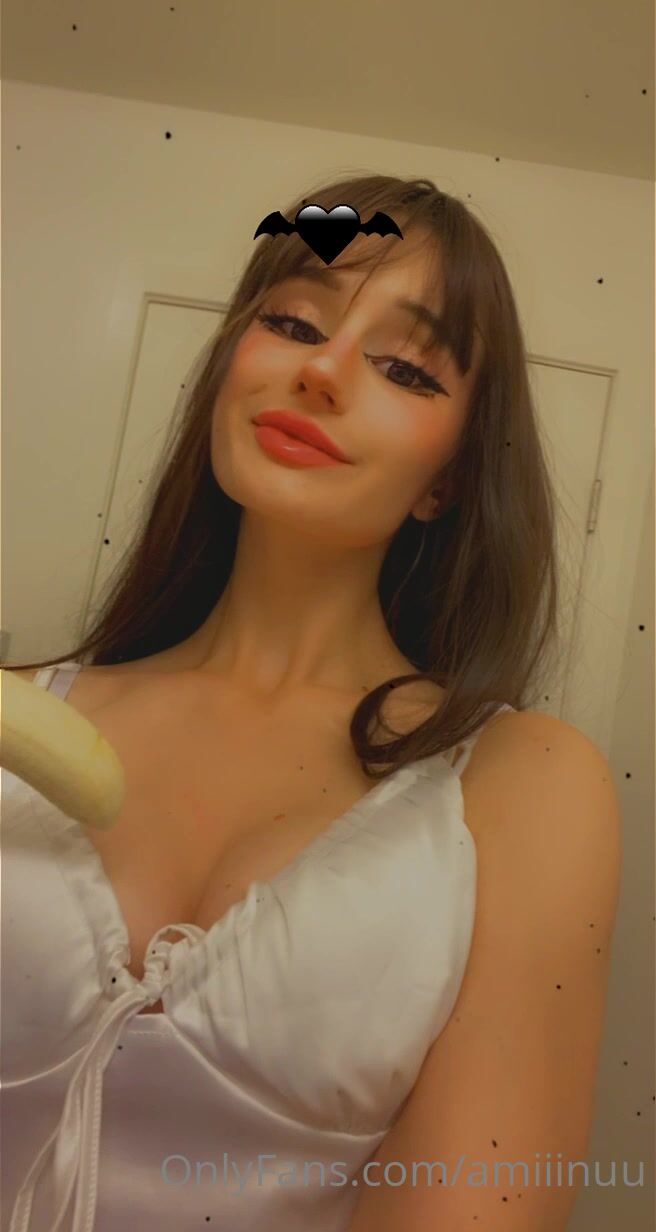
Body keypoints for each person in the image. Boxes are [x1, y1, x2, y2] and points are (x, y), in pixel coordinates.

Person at [2, 173, 620, 1231]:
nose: (321, 370)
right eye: (292, 322)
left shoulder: (521, 787)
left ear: (447, 480)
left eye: (403, 367)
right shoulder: (19, 723)